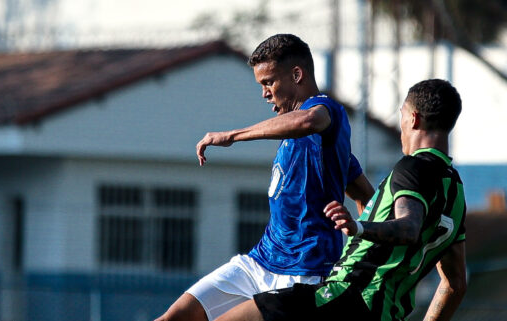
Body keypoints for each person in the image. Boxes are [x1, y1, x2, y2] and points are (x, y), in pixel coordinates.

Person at [154, 34, 374, 321]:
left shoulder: (326, 112)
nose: (264, 93)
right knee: (173, 318)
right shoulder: (321, 147)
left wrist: (231, 136)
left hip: (303, 272)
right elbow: (365, 195)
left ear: (297, 75)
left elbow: (308, 121)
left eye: (268, 82)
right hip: (259, 261)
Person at [215, 78, 467, 321]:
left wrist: (357, 227)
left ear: (413, 118)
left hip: (348, 296)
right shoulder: (455, 192)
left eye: (401, 114)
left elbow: (409, 227)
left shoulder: (412, 168)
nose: (401, 123)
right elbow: (454, 283)